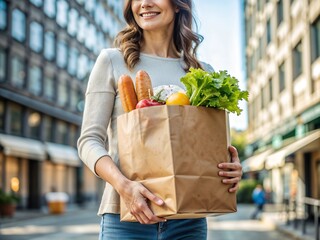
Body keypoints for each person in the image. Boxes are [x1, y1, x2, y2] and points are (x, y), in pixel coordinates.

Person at [77, 0, 243, 239]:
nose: (145, 4)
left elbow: (205, 147)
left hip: (189, 220)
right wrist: (125, 187)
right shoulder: (112, 61)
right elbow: (89, 141)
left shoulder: (202, 73)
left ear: (178, 5)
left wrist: (231, 168)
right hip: (125, 218)